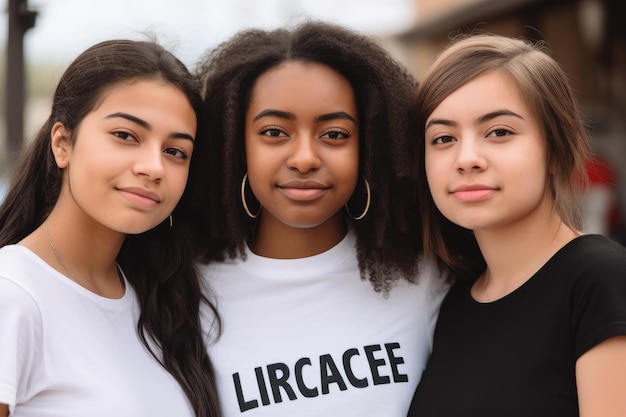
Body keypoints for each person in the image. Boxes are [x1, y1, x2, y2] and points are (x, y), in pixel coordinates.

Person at [190, 21, 448, 417]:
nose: (306, 158)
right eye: (275, 132)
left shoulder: (423, 277)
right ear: (235, 145)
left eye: (335, 134)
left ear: (369, 145)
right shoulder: (190, 297)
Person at [407, 33, 626, 417]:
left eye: (499, 132)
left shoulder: (599, 280)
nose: (467, 159)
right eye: (443, 138)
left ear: (555, 149)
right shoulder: (453, 302)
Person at [0, 40, 221, 417]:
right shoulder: (14, 294)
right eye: (125, 136)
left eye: (175, 151)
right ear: (62, 143)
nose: (154, 167)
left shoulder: (161, 300)